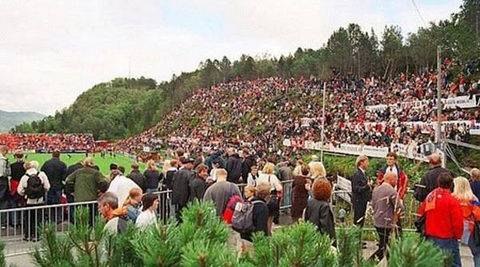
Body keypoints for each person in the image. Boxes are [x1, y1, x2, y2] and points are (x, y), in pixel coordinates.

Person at [418, 173, 463, 267]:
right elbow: (457, 222)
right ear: (451, 184)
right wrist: (458, 235)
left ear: (438, 182)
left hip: (430, 235)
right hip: (447, 237)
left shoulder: (431, 196)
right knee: (452, 263)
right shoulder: (452, 201)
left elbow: (421, 212)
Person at [370, 173, 404, 261]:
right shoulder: (391, 191)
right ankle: (371, 262)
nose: (396, 182)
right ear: (391, 179)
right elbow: (399, 207)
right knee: (388, 246)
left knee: (384, 245)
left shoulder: (376, 189)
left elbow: (373, 204)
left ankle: (378, 261)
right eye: (396, 180)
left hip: (378, 221)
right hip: (389, 223)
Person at [17, 161, 50, 241]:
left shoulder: (24, 177)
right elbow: (47, 187)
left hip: (29, 201)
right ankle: (37, 235)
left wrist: (26, 193)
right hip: (40, 200)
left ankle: (27, 235)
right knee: (38, 218)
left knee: (28, 218)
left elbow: (19, 190)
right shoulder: (41, 174)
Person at [452, 176, 480, 266]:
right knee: (477, 253)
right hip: (470, 228)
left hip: (454, 227)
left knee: (453, 253)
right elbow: (478, 215)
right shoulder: (473, 199)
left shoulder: (452, 198)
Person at [304, 178, 336, 246]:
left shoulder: (310, 202)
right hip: (321, 242)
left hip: (311, 237)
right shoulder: (325, 206)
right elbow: (327, 228)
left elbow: (306, 219)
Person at [256, 162, 283, 230]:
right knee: (270, 217)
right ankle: (269, 231)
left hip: (261, 197)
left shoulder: (260, 176)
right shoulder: (273, 177)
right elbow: (279, 188)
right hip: (271, 197)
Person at [351, 155, 371, 228]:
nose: (368, 164)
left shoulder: (364, 174)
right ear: (361, 163)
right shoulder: (357, 174)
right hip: (358, 201)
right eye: (366, 162)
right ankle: (356, 236)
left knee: (361, 220)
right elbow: (355, 189)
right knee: (358, 220)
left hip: (363, 201)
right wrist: (367, 186)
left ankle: (358, 235)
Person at [9, 152, 26, 227]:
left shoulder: (12, 165)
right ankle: (22, 222)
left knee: (14, 204)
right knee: (23, 204)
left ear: (15, 157)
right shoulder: (25, 166)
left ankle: (15, 222)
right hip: (22, 186)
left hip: (14, 187)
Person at [0, 146, 10, 228]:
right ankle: (3, 223)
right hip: (2, 181)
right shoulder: (4, 160)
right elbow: (5, 173)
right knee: (3, 201)